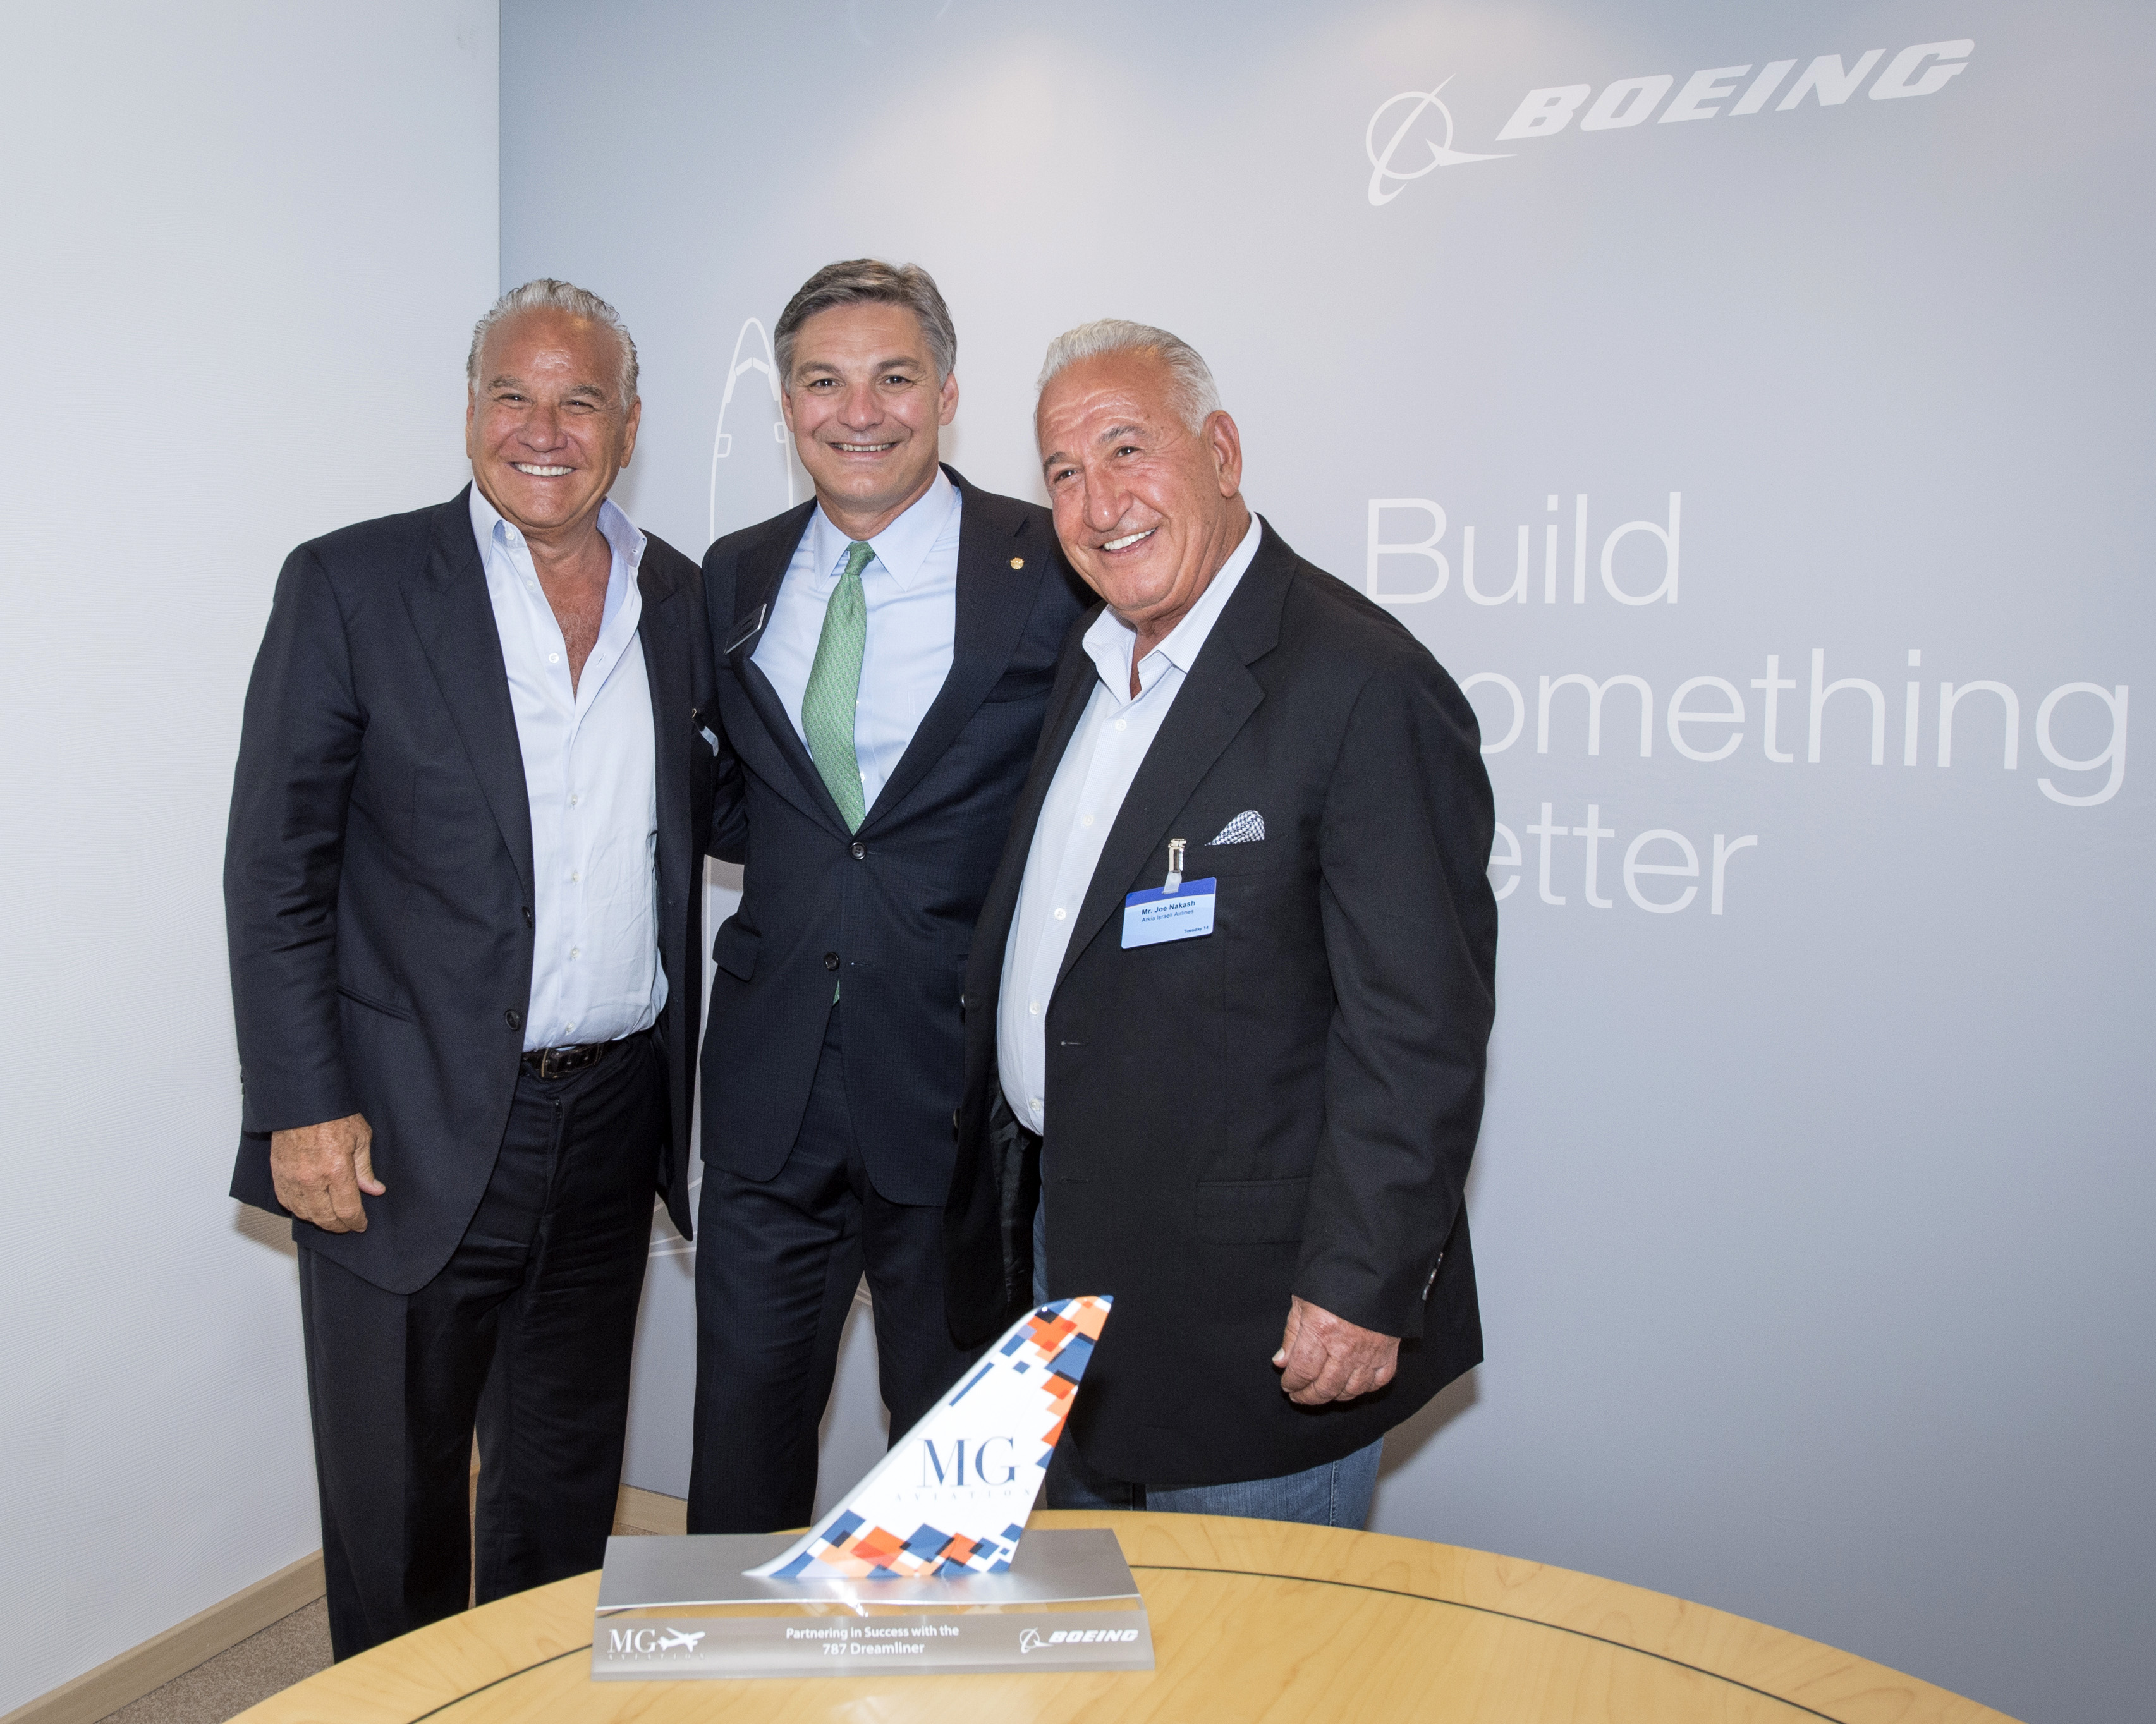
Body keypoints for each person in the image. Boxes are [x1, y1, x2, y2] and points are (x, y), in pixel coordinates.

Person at [225, 281, 714, 1656]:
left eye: (579, 401)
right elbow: (275, 864)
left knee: (563, 1490)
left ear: (629, 425)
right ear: (469, 410)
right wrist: (299, 1106)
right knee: (396, 1503)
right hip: (398, 1120)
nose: (542, 431)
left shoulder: (680, 595)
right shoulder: (353, 583)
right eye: (513, 395)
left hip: (609, 1116)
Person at [943, 320, 1498, 1526]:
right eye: (1064, 473)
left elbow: (1419, 1029)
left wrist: (1361, 1286)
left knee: (1251, 1637)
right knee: (1099, 1626)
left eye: (1127, 449)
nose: (1099, 504)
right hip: (1077, 1264)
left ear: (1223, 452)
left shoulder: (1363, 684)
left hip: (1261, 1318)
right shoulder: (1096, 664)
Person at [689, 260, 1087, 1534]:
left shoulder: (1051, 565)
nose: (859, 412)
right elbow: (735, 799)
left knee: (958, 1491)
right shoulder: (733, 571)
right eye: (824, 381)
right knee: (738, 1464)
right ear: (787, 405)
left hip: (959, 1097)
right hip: (769, 1092)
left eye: (894, 377)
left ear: (948, 394)